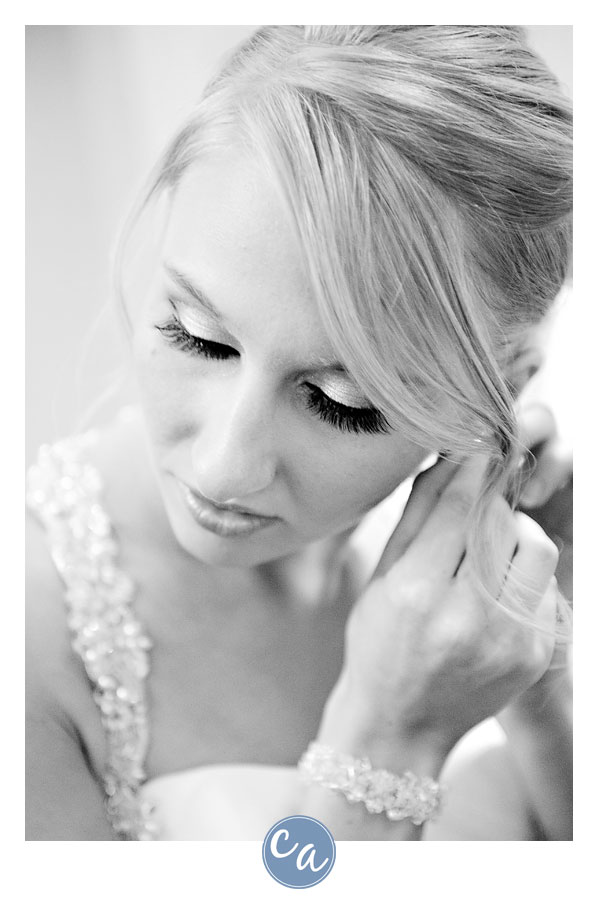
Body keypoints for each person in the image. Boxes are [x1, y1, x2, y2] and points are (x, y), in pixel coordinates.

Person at [26, 25, 573, 841]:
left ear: (504, 389)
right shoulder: (27, 642)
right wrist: (388, 743)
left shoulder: (450, 600)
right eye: (196, 336)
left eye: (343, 403)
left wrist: (542, 674)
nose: (225, 466)